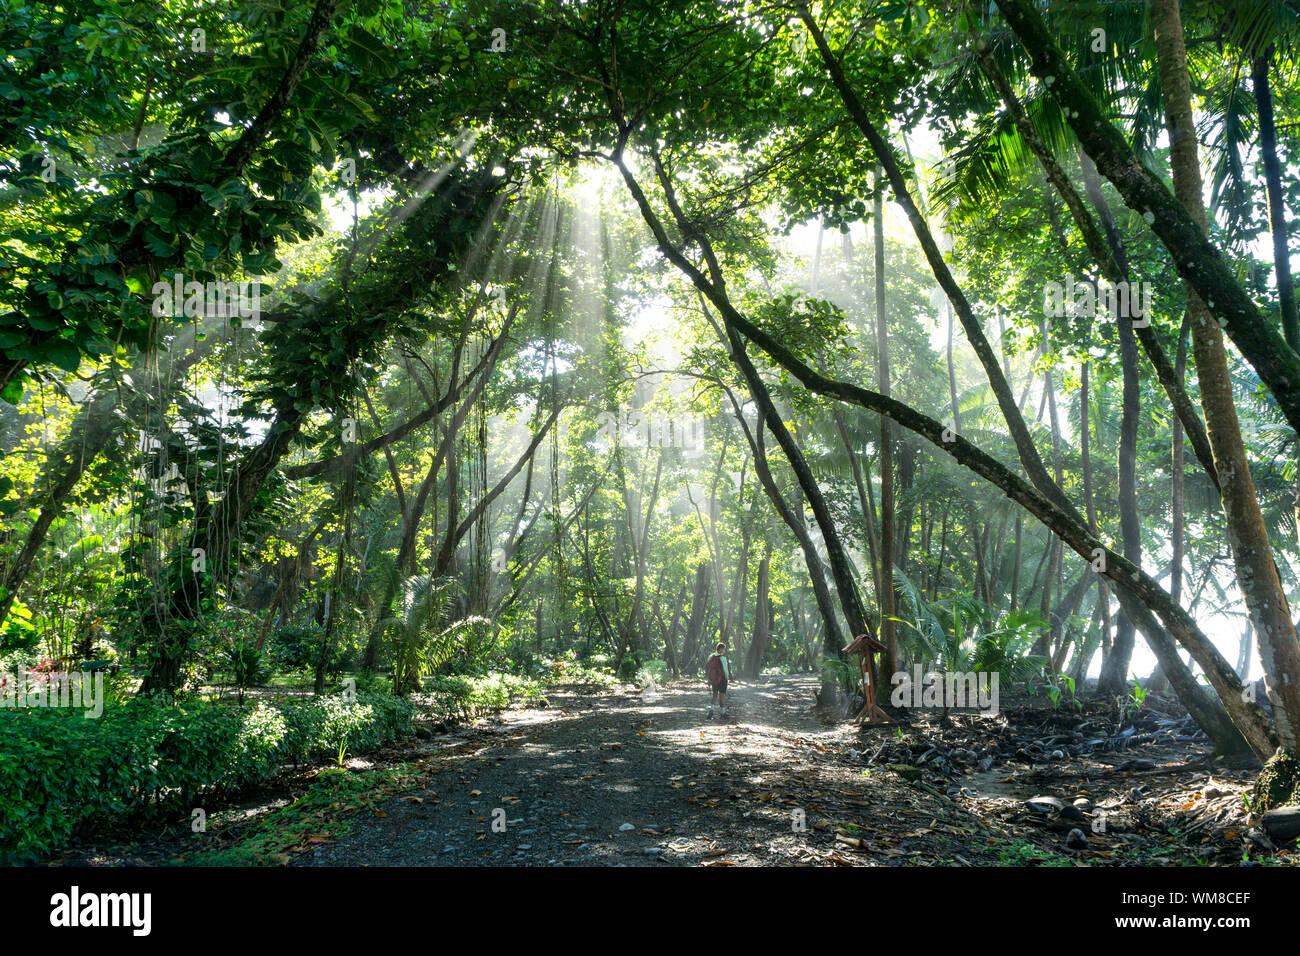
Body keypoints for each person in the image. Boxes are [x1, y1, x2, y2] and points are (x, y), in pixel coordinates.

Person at [705, 641, 731, 717]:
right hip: (722, 679)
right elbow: (726, 671)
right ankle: (723, 713)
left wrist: (709, 679)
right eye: (723, 649)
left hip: (714, 680)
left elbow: (708, 668)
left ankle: (711, 710)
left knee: (714, 695)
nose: (724, 651)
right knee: (722, 696)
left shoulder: (711, 656)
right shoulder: (723, 658)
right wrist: (727, 678)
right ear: (720, 649)